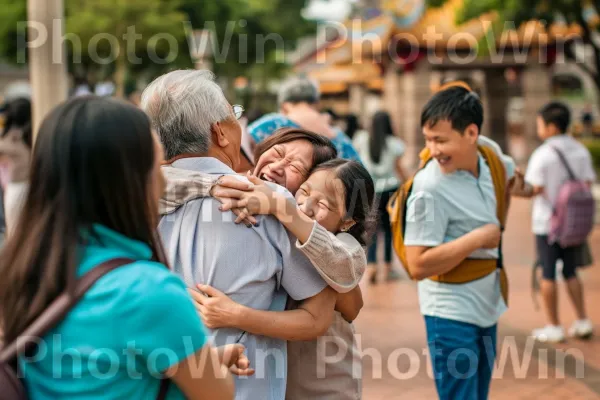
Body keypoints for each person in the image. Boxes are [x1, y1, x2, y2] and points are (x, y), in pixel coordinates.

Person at [0, 96, 249, 399]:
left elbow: (94, 369)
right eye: (155, 166)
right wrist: (205, 363)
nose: (165, 181)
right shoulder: (147, 290)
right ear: (127, 182)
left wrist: (193, 359)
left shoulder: (22, 266)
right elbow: (217, 395)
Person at [142, 70, 336, 400]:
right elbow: (319, 316)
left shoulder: (131, 203)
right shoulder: (266, 202)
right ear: (220, 132)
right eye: (235, 115)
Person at [161, 131, 372, 400]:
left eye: (296, 167)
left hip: (320, 380)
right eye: (279, 153)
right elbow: (158, 178)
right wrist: (213, 186)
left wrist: (282, 208)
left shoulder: (318, 237)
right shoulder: (234, 183)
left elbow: (348, 297)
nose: (277, 167)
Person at [403, 85, 515, 400]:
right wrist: (478, 238)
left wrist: (533, 188)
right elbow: (417, 264)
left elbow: (510, 174)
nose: (433, 150)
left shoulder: (490, 155)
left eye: (440, 140)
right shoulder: (429, 188)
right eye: (428, 139)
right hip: (449, 312)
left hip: (487, 303)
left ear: (471, 133)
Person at [512, 102, 596, 342]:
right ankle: (582, 320)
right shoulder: (580, 150)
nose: (539, 128)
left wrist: (515, 189)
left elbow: (534, 188)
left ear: (550, 126)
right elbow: (587, 183)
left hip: (548, 224)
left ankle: (554, 326)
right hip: (573, 224)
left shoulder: (544, 154)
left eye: (540, 124)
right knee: (571, 271)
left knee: (547, 273)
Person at [247, 77, 361, 162]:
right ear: (316, 104)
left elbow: (238, 147)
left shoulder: (275, 123)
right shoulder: (339, 137)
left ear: (284, 105)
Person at [353, 110, 406, 283]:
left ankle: (373, 267)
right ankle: (389, 267)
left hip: (370, 190)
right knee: (390, 230)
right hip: (391, 190)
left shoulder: (362, 139)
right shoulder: (394, 143)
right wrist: (408, 183)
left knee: (372, 230)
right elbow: (399, 169)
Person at [0, 97, 32, 247]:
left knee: (17, 235)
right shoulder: (21, 135)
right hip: (16, 187)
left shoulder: (16, 135)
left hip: (20, 188)